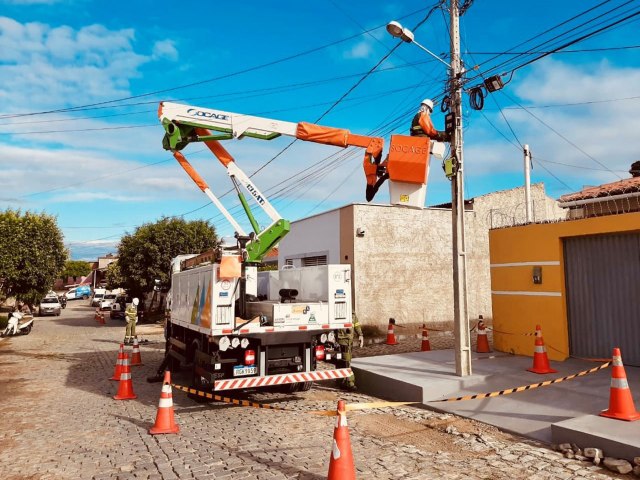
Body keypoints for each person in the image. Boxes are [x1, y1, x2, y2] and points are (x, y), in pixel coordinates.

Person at [336, 310, 364, 391]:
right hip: (342, 340)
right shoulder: (337, 311)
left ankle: (341, 381)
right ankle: (350, 382)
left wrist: (360, 335)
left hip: (349, 341)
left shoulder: (352, 312)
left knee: (345, 361)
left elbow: (356, 324)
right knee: (346, 362)